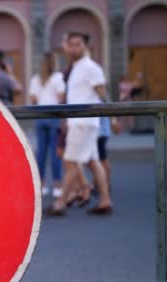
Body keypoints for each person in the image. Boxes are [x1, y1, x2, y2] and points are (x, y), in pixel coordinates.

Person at [45, 32, 113, 216]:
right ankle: (105, 201)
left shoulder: (91, 67)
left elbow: (102, 94)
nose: (74, 48)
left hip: (83, 122)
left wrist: (112, 117)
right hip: (80, 121)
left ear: (86, 46)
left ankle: (60, 203)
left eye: (78, 44)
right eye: (71, 44)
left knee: (70, 160)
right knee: (92, 161)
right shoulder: (76, 67)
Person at [29, 53, 65, 197]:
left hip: (40, 117)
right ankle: (57, 186)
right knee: (55, 152)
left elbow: (32, 99)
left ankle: (42, 185)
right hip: (54, 116)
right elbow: (62, 97)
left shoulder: (35, 79)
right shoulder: (58, 78)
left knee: (41, 153)